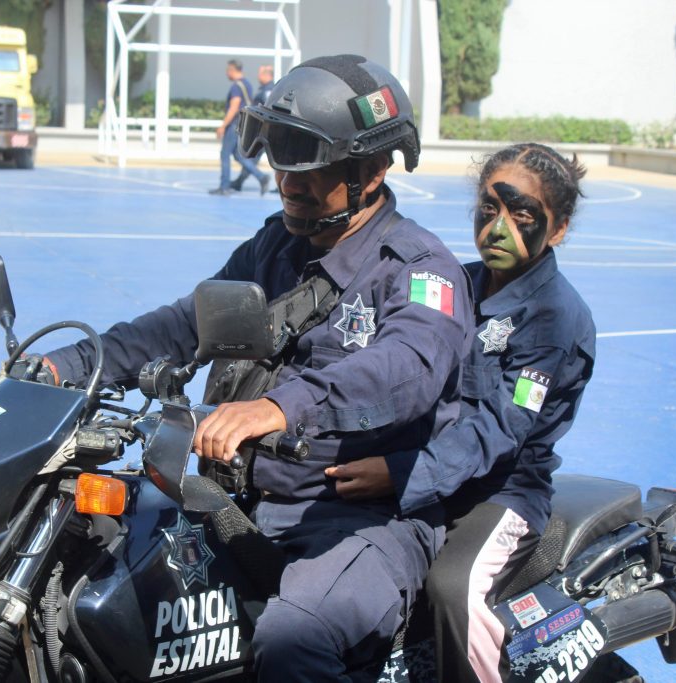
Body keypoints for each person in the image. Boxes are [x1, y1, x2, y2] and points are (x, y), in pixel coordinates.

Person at [41, 55, 474, 680]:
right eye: (279, 157)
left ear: (372, 170)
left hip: (357, 520)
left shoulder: (419, 270)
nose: (286, 181)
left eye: (308, 163)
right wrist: (69, 364)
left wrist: (277, 408)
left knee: (293, 641)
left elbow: (406, 368)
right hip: (237, 500)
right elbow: (184, 325)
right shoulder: (276, 247)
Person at [325, 142, 596, 683]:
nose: (497, 229)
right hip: (429, 475)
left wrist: (402, 473)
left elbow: (501, 428)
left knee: (453, 590)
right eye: (488, 208)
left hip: (501, 492)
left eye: (522, 216)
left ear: (559, 229)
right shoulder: (456, 283)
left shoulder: (554, 319)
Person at [209, 59, 271, 197]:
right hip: (242, 123)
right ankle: (261, 177)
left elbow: (234, 107)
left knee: (225, 154)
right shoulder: (247, 84)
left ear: (232, 69)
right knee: (238, 155)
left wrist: (223, 126)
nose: (226, 73)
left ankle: (224, 186)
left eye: (227, 70)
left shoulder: (236, 86)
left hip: (234, 124)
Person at [229, 65, 275, 192]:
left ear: (266, 75)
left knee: (243, 155)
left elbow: (268, 110)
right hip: (262, 131)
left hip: (262, 131)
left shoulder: (268, 91)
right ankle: (240, 182)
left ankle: (261, 177)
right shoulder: (266, 89)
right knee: (251, 159)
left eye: (260, 73)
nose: (257, 76)